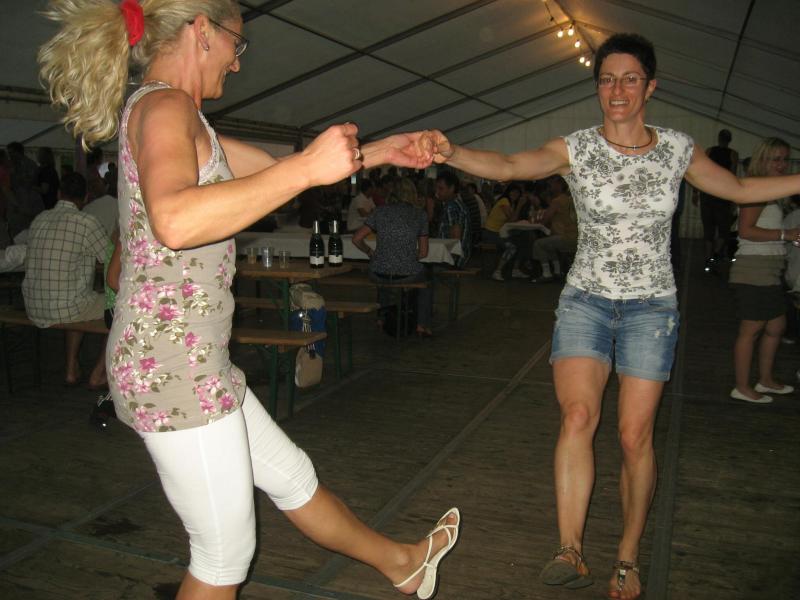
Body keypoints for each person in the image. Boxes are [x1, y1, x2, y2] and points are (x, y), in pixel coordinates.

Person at [38, 2, 459, 599]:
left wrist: (384, 151)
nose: (237, 64)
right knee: (221, 558)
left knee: (293, 478)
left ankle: (403, 564)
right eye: (237, 44)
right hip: (173, 370)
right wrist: (305, 170)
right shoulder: (165, 106)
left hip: (191, 360)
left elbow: (277, 168)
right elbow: (175, 220)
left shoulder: (177, 116)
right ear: (202, 31)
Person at [418, 32, 800, 600]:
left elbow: (740, 187)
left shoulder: (677, 148)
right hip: (586, 302)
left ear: (650, 86)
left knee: (633, 435)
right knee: (577, 416)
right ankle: (569, 549)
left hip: (652, 307)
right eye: (606, 79)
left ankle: (627, 555)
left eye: (629, 79)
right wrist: (451, 152)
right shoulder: (576, 148)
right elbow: (510, 164)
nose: (617, 90)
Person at [21, 171, 109, 388]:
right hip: (66, 307)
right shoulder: (87, 222)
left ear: (59, 193)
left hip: (33, 305)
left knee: (77, 296)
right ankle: (99, 373)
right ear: (86, 197)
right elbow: (110, 259)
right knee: (120, 308)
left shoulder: (39, 219)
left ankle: (71, 368)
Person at [729, 138, 796, 404]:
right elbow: (746, 231)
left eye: (785, 159)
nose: (781, 165)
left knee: (776, 326)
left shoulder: (773, 191)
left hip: (770, 268)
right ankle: (742, 386)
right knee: (751, 330)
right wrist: (785, 234)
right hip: (753, 269)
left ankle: (765, 379)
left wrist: (787, 237)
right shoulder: (755, 189)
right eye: (775, 159)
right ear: (762, 159)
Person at [353, 177, 434, 337]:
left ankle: (381, 318)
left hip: (378, 273)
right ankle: (421, 325)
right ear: (413, 194)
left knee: (383, 273)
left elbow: (356, 239)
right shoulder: (420, 214)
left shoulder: (379, 211)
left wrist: (369, 252)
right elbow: (424, 253)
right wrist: (407, 257)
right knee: (428, 282)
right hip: (407, 275)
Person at [693, 129, 739, 272]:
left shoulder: (710, 151)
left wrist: (695, 192)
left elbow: (700, 172)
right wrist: (733, 198)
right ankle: (715, 254)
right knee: (723, 229)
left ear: (719, 138)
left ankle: (709, 257)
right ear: (729, 140)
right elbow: (732, 176)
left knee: (709, 228)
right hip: (722, 194)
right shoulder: (733, 154)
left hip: (708, 193)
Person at [529, 176, 577, 283]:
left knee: (538, 244)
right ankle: (557, 272)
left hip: (565, 237)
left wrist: (535, 220)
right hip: (575, 236)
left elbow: (545, 219)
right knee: (549, 245)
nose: (549, 187)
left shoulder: (557, 201)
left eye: (551, 184)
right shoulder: (570, 199)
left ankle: (546, 274)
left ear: (559, 185)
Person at [483, 182, 527, 280]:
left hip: (499, 232)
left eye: (517, 193)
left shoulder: (511, 203)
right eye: (513, 192)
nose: (515, 194)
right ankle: (497, 271)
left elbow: (513, 220)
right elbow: (512, 220)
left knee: (522, 241)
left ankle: (515, 269)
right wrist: (520, 206)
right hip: (491, 233)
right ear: (508, 192)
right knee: (512, 247)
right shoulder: (504, 201)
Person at [434, 171, 471, 268]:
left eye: (441, 188)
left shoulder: (451, 207)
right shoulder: (457, 204)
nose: (437, 192)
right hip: (458, 257)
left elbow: (455, 239)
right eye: (436, 188)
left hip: (453, 260)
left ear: (451, 188)